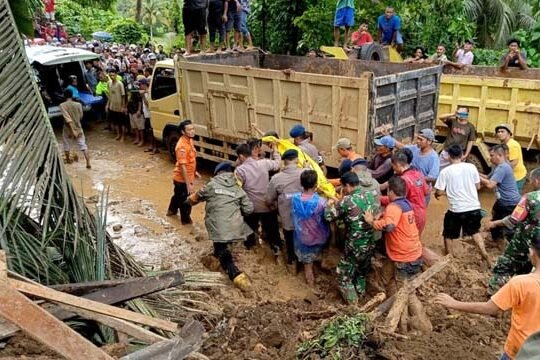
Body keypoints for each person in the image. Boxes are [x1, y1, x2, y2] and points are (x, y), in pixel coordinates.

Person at [435, 232, 540, 360]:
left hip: (520, 352)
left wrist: (454, 303)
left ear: (532, 252)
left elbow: (489, 308)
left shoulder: (521, 283)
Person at [187, 162, 253, 291]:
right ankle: (218, 257)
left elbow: (194, 199)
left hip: (218, 226)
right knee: (222, 247)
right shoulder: (238, 188)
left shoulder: (211, 185)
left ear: (217, 173)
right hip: (235, 227)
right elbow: (249, 209)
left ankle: (236, 276)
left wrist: (187, 201)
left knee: (224, 253)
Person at [325, 172, 379, 304]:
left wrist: (330, 204)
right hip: (370, 243)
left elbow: (328, 216)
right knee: (361, 272)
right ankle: (361, 295)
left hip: (354, 245)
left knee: (343, 276)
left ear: (347, 186)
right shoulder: (369, 195)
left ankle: (354, 306)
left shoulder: (347, 201)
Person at [486, 168, 540, 294]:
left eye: (530, 180)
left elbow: (513, 220)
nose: (530, 183)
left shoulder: (530, 198)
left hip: (525, 242)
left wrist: (494, 223)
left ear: (537, 181)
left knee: (505, 266)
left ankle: (494, 296)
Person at [434, 144, 490, 264]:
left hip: (456, 210)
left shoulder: (445, 171)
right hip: (474, 207)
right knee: (475, 232)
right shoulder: (471, 167)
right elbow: (478, 186)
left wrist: (439, 194)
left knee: (448, 234)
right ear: (461, 155)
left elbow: (438, 191)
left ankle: (450, 259)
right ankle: (484, 253)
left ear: (449, 156)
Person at [364, 176, 423, 284]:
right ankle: (384, 290)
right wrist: (383, 214)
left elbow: (389, 226)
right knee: (385, 278)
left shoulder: (393, 207)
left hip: (403, 256)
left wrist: (371, 221)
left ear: (390, 191)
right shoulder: (406, 204)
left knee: (403, 291)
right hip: (413, 252)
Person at [235, 143, 283, 260]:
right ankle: (277, 252)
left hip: (251, 207)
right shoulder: (264, 163)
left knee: (249, 230)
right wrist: (275, 150)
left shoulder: (240, 170)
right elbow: (277, 164)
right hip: (268, 205)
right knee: (273, 231)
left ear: (241, 157)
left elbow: (237, 190)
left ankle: (252, 251)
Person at [265, 149, 304, 268]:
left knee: (289, 240)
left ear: (284, 162)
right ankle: (304, 262)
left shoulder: (276, 178)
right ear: (297, 160)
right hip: (304, 219)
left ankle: (292, 262)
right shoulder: (306, 172)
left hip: (288, 219)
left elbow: (268, 199)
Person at [291, 170, 330, 286]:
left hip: (303, 238)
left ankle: (311, 285)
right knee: (319, 255)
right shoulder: (322, 202)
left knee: (307, 264)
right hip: (319, 237)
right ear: (315, 184)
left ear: (301, 183)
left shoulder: (295, 199)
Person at [480, 145, 522, 245]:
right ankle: (497, 241)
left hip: (509, 203)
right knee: (495, 217)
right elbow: (487, 177)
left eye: (492, 155)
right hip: (503, 201)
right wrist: (473, 172)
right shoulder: (499, 166)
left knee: (507, 227)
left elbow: (490, 184)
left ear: (499, 155)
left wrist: (476, 176)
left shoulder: (502, 168)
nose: (490, 158)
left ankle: (508, 246)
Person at [387, 128, 440, 204]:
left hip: (422, 191)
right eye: (417, 138)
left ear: (429, 141)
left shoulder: (434, 158)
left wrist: (415, 178)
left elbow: (433, 177)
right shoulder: (415, 148)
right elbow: (402, 147)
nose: (417, 141)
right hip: (409, 188)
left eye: (421, 139)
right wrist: (389, 138)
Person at [388, 149, 429, 234]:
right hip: (422, 214)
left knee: (406, 242)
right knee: (415, 241)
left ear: (398, 165)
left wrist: (380, 199)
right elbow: (426, 192)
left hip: (411, 215)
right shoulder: (418, 174)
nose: (394, 170)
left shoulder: (403, 180)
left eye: (394, 167)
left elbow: (397, 200)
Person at [167, 120, 199, 224]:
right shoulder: (181, 146)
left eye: (193, 128)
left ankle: (171, 210)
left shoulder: (189, 140)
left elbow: (191, 159)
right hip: (182, 179)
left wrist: (195, 171)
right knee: (186, 201)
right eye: (189, 130)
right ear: (182, 132)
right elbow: (183, 166)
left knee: (178, 195)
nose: (192, 131)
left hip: (186, 177)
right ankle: (186, 222)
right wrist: (188, 184)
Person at [60, 89, 91, 169]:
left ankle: (68, 160)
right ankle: (88, 162)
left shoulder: (62, 105)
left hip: (68, 129)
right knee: (83, 145)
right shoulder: (78, 105)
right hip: (78, 127)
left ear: (64, 96)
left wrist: (72, 130)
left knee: (66, 144)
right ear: (72, 95)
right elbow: (81, 116)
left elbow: (67, 119)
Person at [495, 124, 527, 192]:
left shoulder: (512, 145)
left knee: (513, 197)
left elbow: (514, 162)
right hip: (514, 175)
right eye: (498, 132)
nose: (500, 133)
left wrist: (501, 172)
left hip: (516, 177)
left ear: (509, 133)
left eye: (502, 131)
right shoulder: (505, 144)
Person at [106, 68, 127, 141]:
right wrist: (107, 105)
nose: (112, 77)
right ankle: (118, 134)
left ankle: (123, 136)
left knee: (122, 123)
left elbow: (123, 96)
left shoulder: (120, 84)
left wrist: (123, 107)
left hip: (119, 106)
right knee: (115, 122)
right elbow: (109, 95)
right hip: (112, 106)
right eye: (111, 75)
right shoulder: (109, 83)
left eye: (113, 75)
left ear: (116, 75)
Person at [127, 82, 145, 147]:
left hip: (136, 111)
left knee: (140, 127)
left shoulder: (135, 90)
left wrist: (139, 110)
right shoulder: (128, 90)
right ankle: (137, 138)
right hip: (131, 110)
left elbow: (139, 101)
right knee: (134, 127)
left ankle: (142, 140)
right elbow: (128, 101)